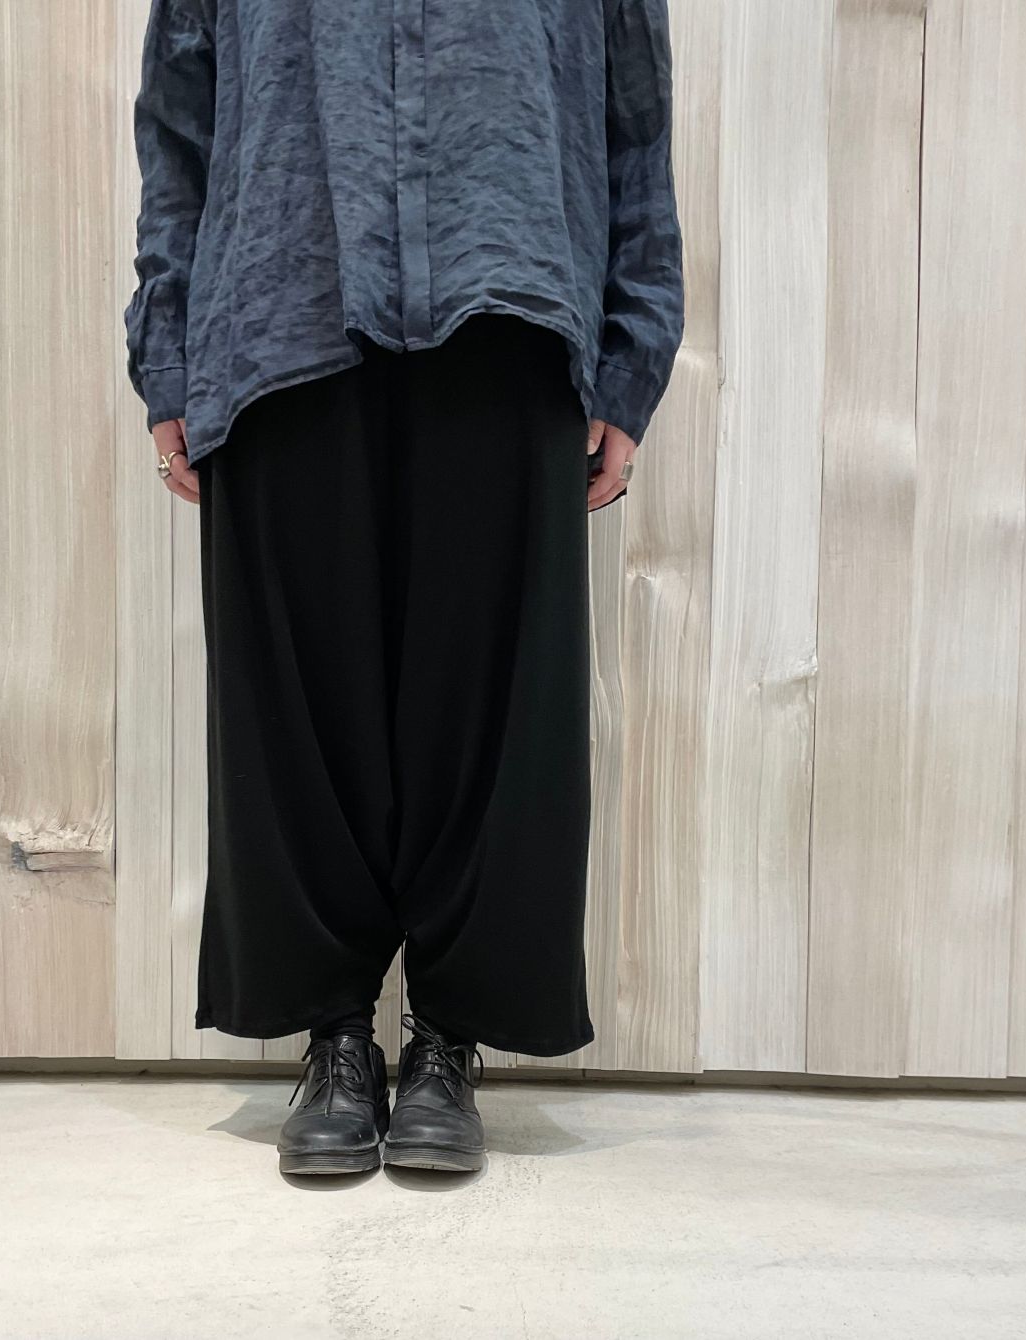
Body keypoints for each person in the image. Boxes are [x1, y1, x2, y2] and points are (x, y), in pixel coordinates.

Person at [123, 0, 684, 1176]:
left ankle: (447, 1039)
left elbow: (632, 112)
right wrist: (166, 344)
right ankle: (332, 1033)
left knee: (487, 701)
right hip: (279, 293)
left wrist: (631, 351)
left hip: (508, 288)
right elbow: (180, 105)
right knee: (297, 699)